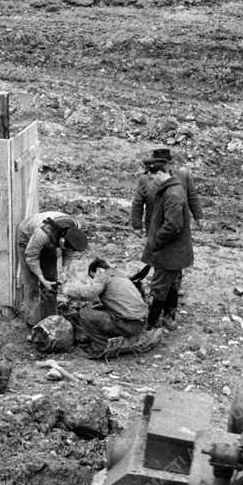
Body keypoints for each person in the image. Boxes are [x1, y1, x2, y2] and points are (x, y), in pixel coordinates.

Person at [141, 149, 202, 331]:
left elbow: (173, 225)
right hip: (175, 251)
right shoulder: (171, 189)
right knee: (172, 282)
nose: (152, 182)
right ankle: (169, 318)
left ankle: (151, 325)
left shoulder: (172, 194)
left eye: (153, 178)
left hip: (168, 251)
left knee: (159, 286)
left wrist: (156, 242)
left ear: (160, 173)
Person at [61, 258, 160, 359]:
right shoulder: (120, 276)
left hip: (127, 324)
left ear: (97, 271)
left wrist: (67, 290)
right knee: (99, 309)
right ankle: (110, 338)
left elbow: (87, 294)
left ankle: (100, 346)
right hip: (140, 323)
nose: (94, 280)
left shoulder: (103, 275)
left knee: (84, 313)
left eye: (93, 277)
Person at [16, 211, 88, 326]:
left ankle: (49, 321)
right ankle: (32, 323)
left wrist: (65, 271)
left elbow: (69, 252)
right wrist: (41, 278)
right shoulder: (43, 234)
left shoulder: (74, 230)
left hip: (51, 240)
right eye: (67, 248)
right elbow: (31, 257)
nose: (68, 251)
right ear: (62, 241)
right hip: (27, 236)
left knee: (51, 283)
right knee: (32, 284)